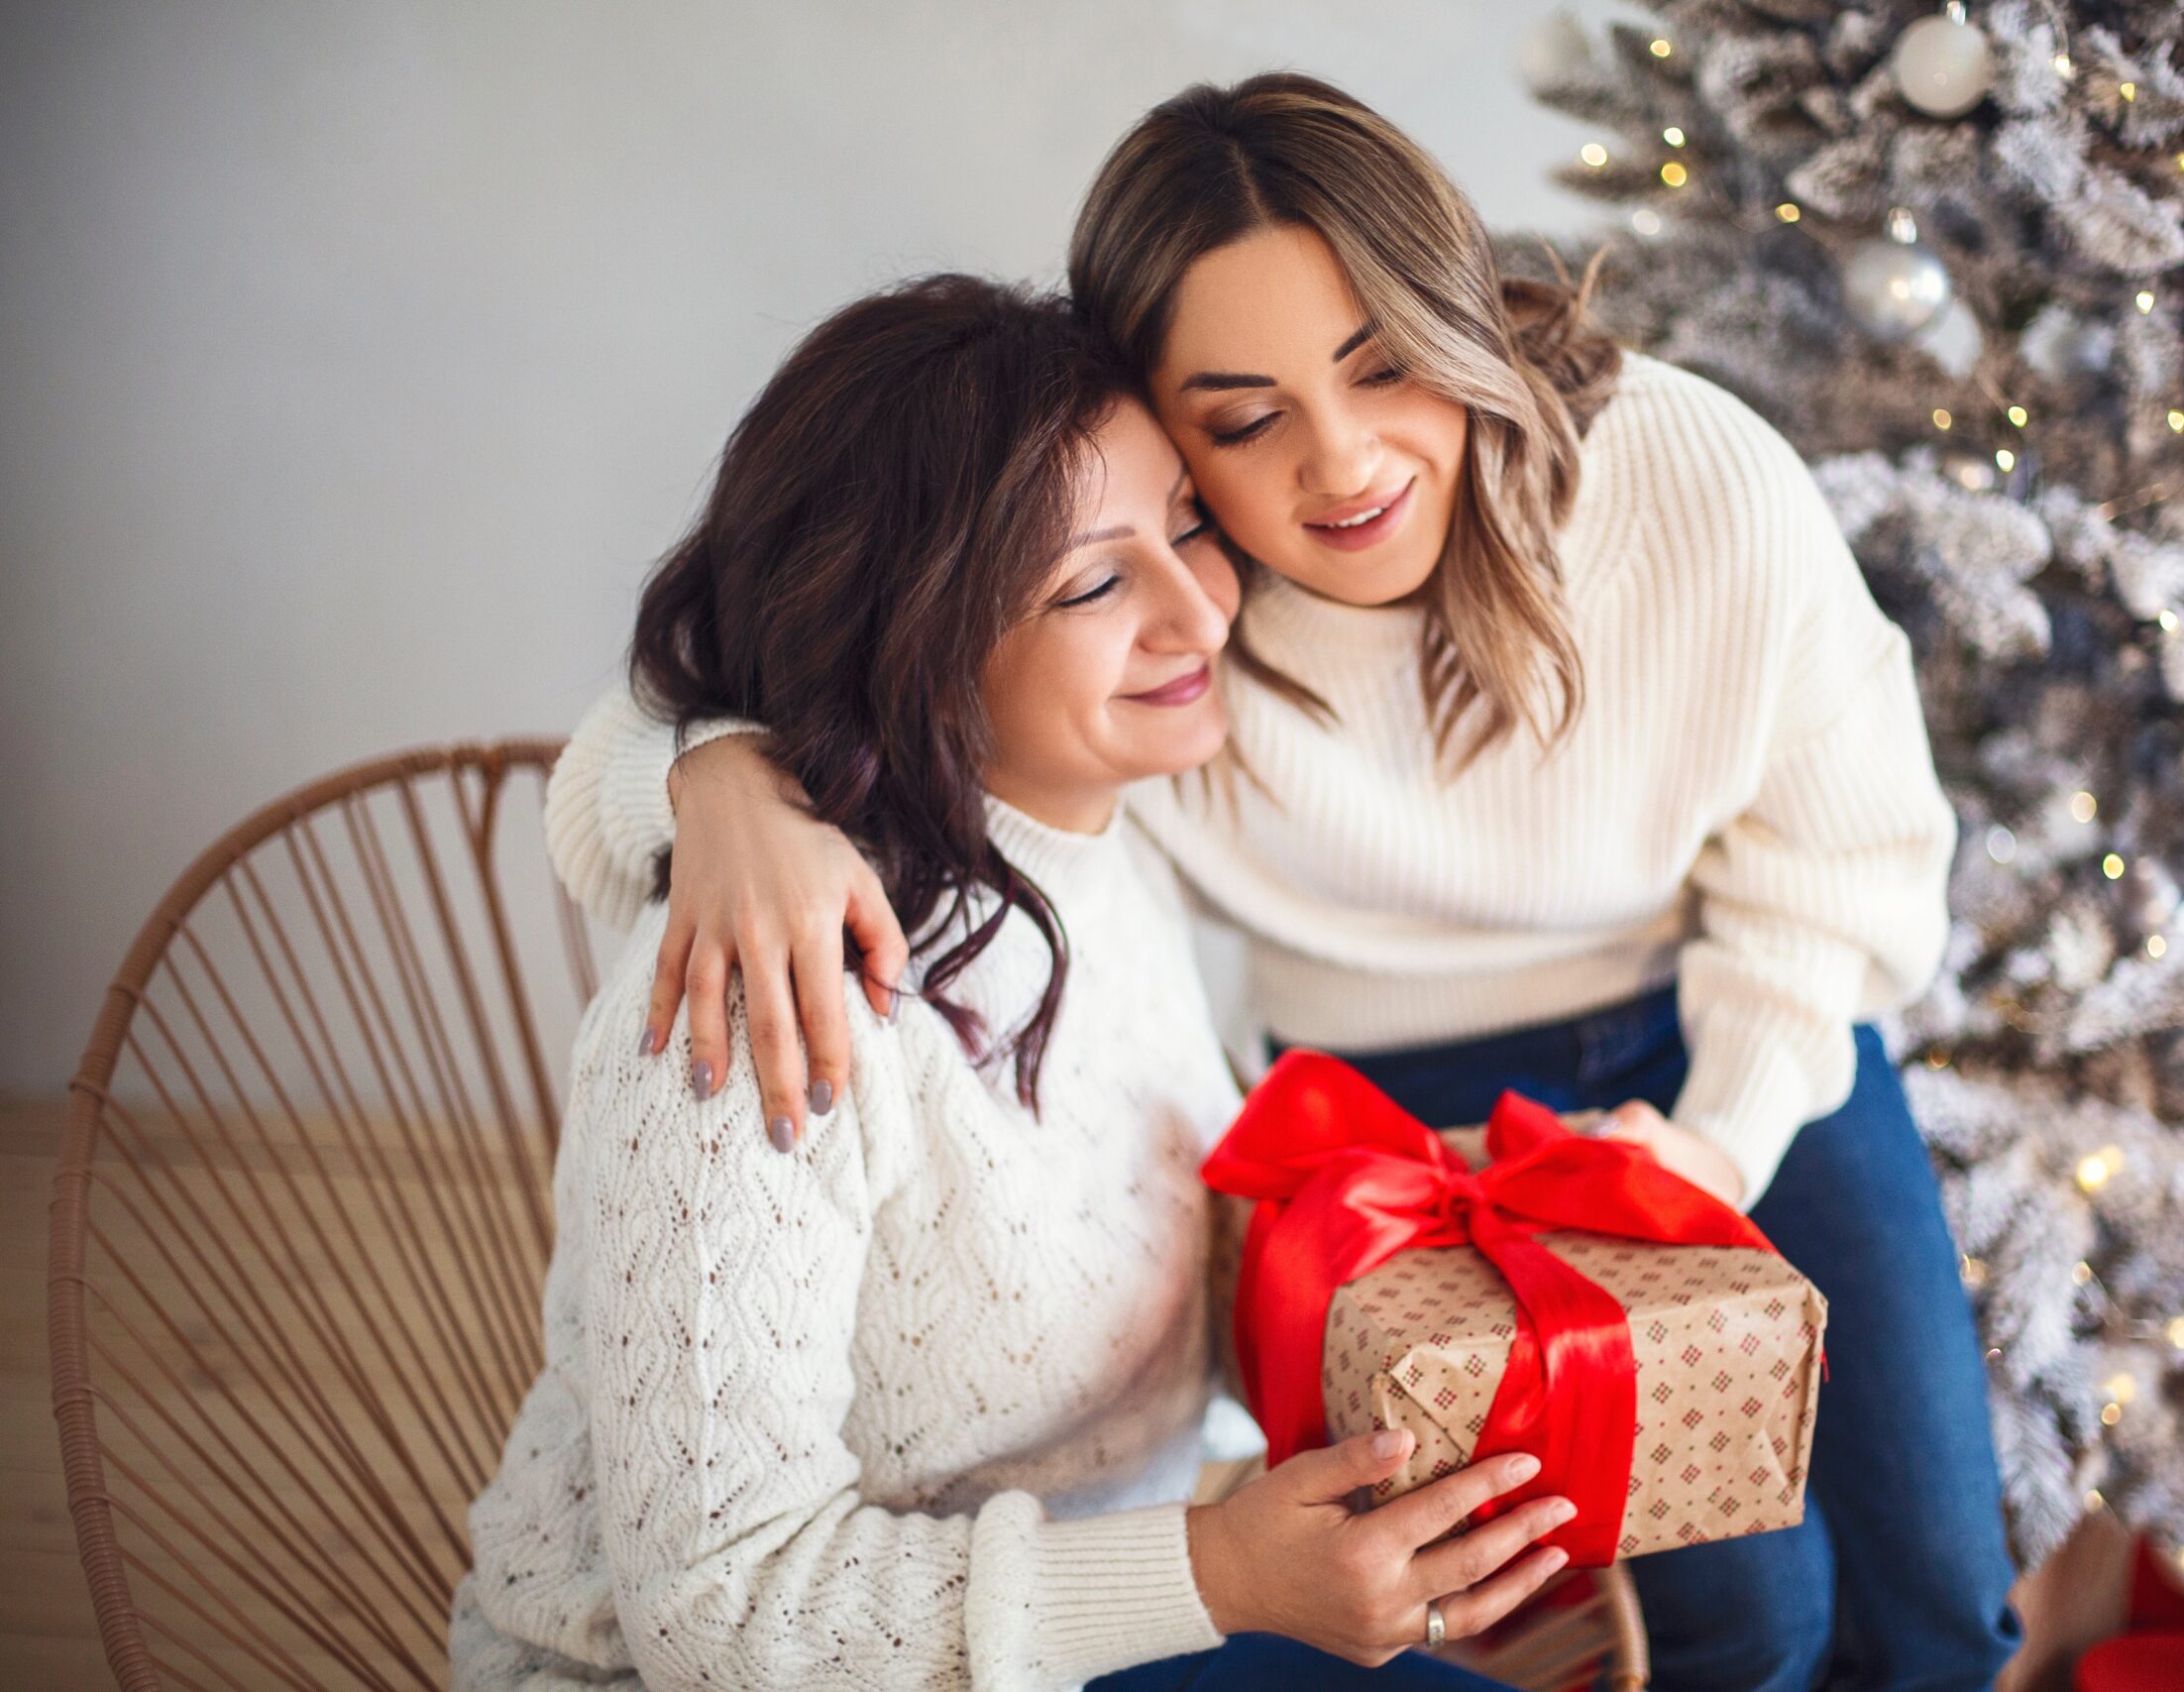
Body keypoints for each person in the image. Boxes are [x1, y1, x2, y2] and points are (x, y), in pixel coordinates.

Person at [548, 74, 2024, 1692]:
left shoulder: (1682, 484)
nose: (1341, 467)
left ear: (1461, 318)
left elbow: (1841, 867)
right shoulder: (1170, 627)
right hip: (1400, 1091)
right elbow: (825, 607)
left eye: (1386, 364)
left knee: (1942, 1577)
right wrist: (717, 777)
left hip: (1744, 1020)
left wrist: (1714, 1140)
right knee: (1745, 1611)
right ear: (1159, 427)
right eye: (1243, 423)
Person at [452, 275, 1574, 1692]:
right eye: (1095, 580)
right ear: (909, 637)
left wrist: (1446, 1201)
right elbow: (715, 1610)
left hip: (1095, 1618)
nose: (1201, 610)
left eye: (1186, 527)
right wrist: (1220, 1570)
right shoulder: (769, 1000)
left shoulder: (1108, 834)